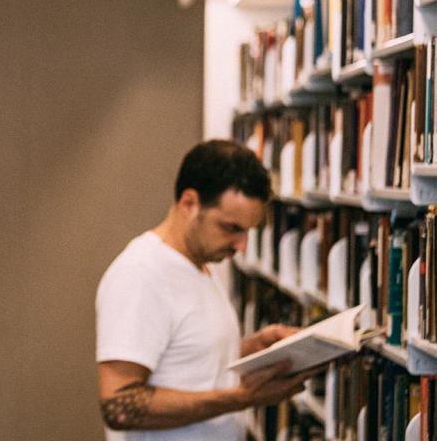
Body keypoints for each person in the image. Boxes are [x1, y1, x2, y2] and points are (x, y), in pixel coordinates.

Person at [94, 140, 311, 440]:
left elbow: (184, 361)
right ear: (189, 203)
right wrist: (242, 397)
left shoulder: (200, 266)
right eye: (231, 228)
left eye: (248, 231)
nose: (242, 246)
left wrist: (254, 348)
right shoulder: (142, 274)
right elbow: (120, 405)